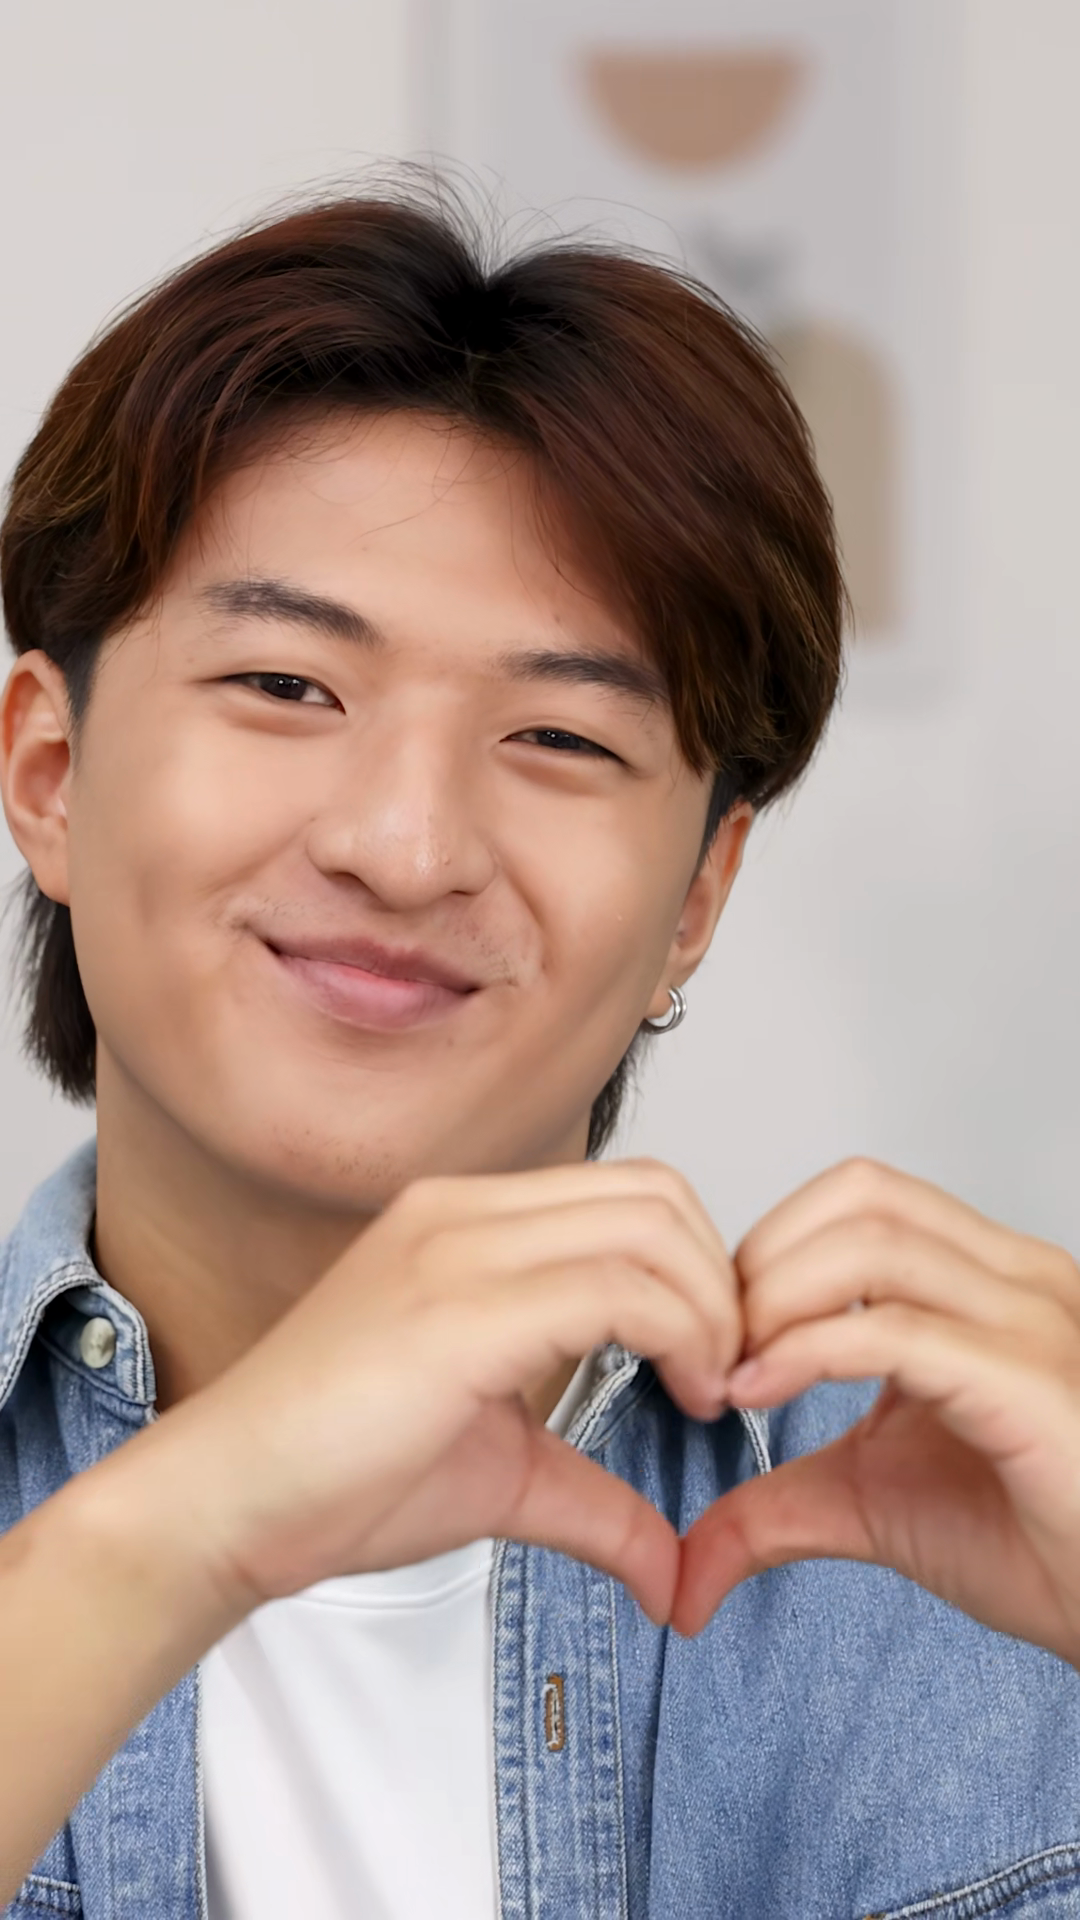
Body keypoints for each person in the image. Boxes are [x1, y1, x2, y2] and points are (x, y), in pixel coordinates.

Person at [0, 182, 1079, 1920]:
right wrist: (168, 1531)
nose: (405, 845)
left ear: (697, 897)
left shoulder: (988, 1514)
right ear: (50, 777)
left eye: (562, 737)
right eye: (286, 687)